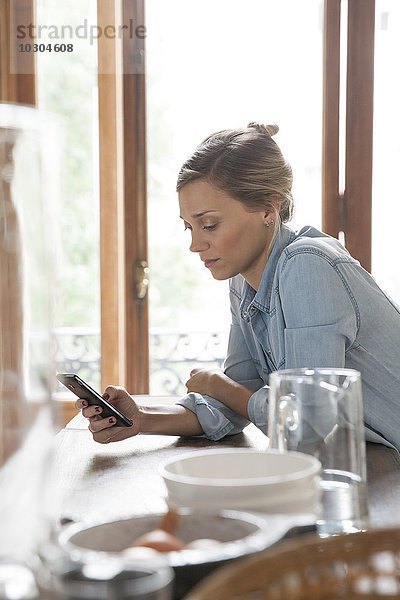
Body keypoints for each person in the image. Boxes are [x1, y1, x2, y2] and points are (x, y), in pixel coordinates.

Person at [76, 122, 400, 451]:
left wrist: (218, 384)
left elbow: (307, 425)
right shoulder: (242, 281)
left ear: (268, 208)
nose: (195, 244)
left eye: (209, 224)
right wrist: (140, 419)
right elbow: (234, 402)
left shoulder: (308, 265)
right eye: (189, 227)